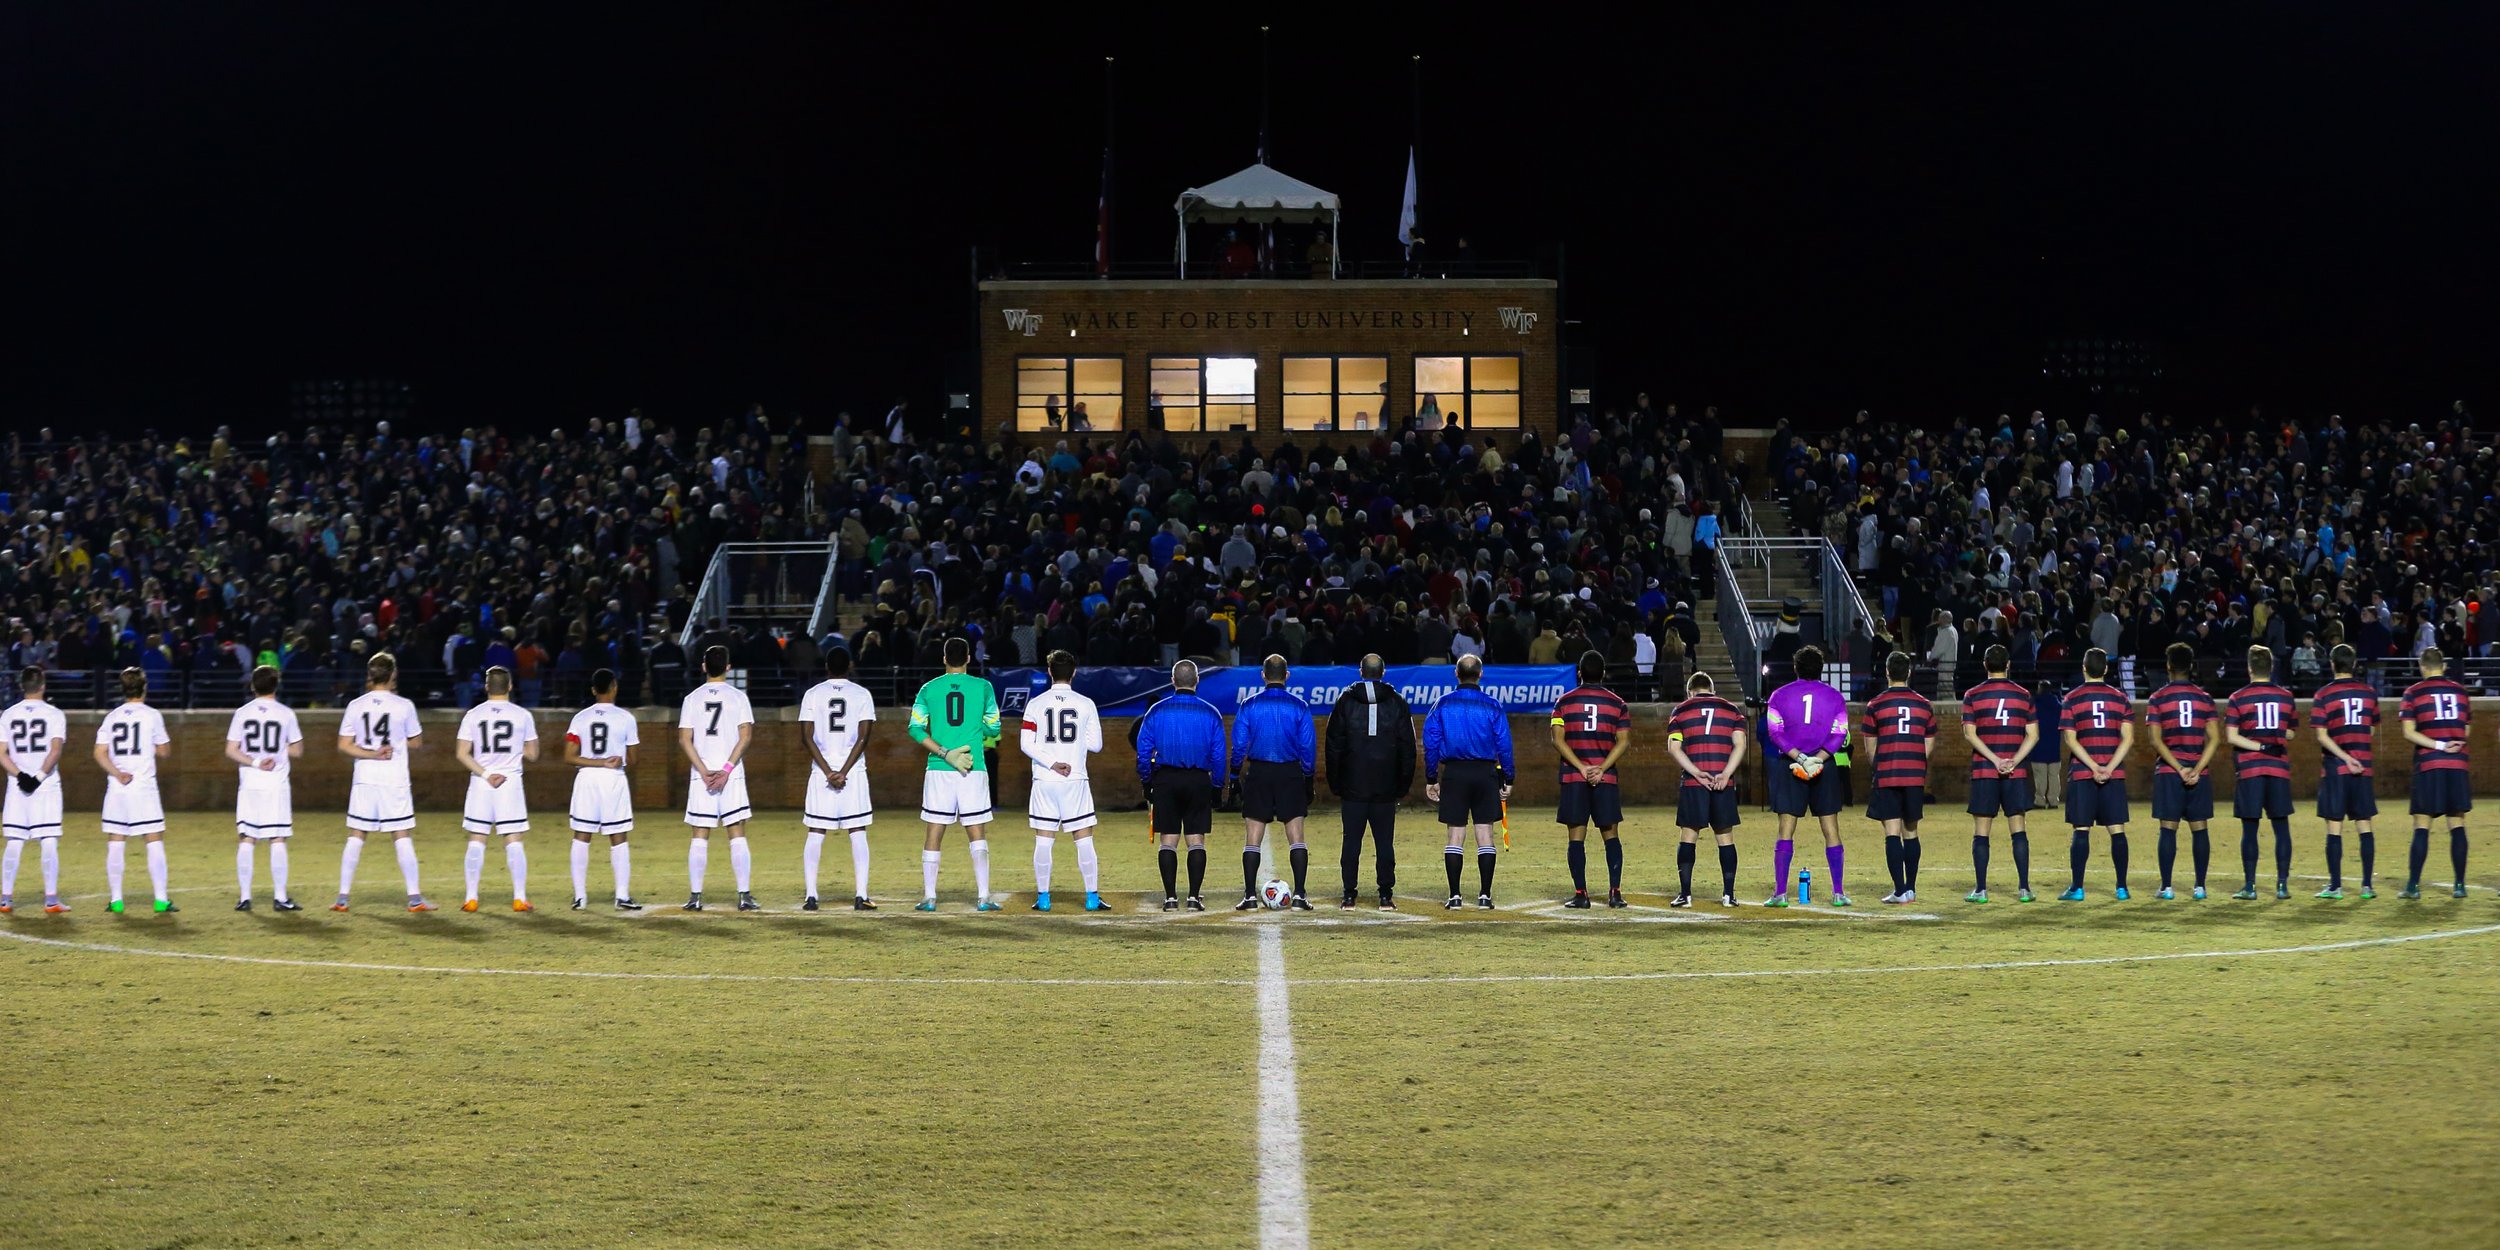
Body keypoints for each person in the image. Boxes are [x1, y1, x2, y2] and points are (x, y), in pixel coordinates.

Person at [907, 636, 1003, 911]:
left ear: (945, 659)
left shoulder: (928, 688)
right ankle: (983, 896)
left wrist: (944, 751)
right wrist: (974, 730)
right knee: (976, 831)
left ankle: (929, 897)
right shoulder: (983, 687)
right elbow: (994, 729)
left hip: (939, 768)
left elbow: (915, 729)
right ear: (969, 658)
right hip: (972, 767)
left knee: (934, 830)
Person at [335, 652, 431, 912]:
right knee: (401, 835)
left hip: (365, 779)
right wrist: (389, 746)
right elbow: (417, 742)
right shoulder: (404, 706)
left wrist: (370, 753)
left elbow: (344, 745)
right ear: (393, 675)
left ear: (370, 675)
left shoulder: (355, 705)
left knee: (356, 835)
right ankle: (415, 898)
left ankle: (342, 898)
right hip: (394, 779)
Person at [1422, 654, 1514, 909]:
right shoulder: (1492, 705)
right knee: (1485, 834)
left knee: (1455, 835)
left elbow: (1430, 743)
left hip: (1454, 774)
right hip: (1485, 774)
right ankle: (1485, 896)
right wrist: (1508, 776)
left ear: (1456, 674)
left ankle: (1455, 896)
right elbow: (1504, 744)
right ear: (1480, 674)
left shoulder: (1442, 704)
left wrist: (1431, 777)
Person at [1762, 645, 1852, 906]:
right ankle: (1838, 892)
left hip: (1790, 765)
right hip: (1824, 766)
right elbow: (1839, 733)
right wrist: (1818, 759)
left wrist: (1801, 758)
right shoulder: (1835, 697)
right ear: (1821, 669)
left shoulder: (1778, 695)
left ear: (1795, 668)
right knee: (1830, 828)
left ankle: (1780, 893)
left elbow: (1775, 733)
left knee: (1786, 829)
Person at [1135, 660, 1228, 909]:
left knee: (1169, 841)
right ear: (1197, 681)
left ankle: (1170, 898)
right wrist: (1217, 787)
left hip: (1166, 779)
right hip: (1198, 780)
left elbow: (1143, 752)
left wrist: (1147, 781)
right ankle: (1194, 898)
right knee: (1196, 840)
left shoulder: (1156, 711)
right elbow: (1219, 756)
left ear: (1173, 681)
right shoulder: (1211, 713)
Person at [1325, 653, 1414, 909]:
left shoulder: (1345, 701)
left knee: (1351, 840)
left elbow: (1333, 746)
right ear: (1383, 672)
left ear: (1360, 672)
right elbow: (1407, 747)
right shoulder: (1397, 702)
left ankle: (1349, 894)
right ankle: (1385, 894)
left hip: (1353, 785)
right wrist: (1402, 784)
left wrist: (1336, 783)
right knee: (1384, 842)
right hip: (1385, 786)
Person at [1019, 649, 1105, 912]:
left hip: (1045, 779)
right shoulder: (1086, 703)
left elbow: (1025, 744)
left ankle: (1043, 898)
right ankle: (1091, 897)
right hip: (1075, 779)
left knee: (1044, 840)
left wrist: (1051, 762)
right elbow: (1097, 745)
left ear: (1049, 672)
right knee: (1084, 839)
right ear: (1074, 673)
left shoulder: (1035, 704)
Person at [1231, 654, 1317, 909]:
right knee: (1297, 837)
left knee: (1253, 838)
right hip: (1290, 774)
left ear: (1263, 675)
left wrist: (1235, 775)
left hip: (1259, 773)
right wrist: (1308, 778)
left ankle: (1249, 897)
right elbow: (1307, 747)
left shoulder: (1249, 705)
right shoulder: (1299, 706)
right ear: (1287, 675)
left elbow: (1238, 745)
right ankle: (1300, 895)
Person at [677, 644, 759, 911]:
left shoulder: (691, 698)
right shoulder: (738, 698)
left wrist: (703, 770)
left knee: (700, 834)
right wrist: (725, 769)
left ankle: (695, 897)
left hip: (702, 777)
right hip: (730, 775)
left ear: (703, 667)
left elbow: (684, 739)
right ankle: (744, 896)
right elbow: (745, 737)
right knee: (736, 833)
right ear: (728, 667)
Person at [797, 647, 878, 911]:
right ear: (850, 665)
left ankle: (811, 896)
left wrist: (828, 770)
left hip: (822, 772)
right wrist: (843, 770)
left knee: (816, 831)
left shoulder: (813, 694)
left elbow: (806, 737)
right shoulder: (862, 694)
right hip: (852, 772)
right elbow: (864, 736)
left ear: (826, 667)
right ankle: (861, 894)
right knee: (857, 831)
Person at [453, 666, 540, 912]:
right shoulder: (523, 715)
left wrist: (486, 774)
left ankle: (471, 898)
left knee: (477, 838)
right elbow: (533, 755)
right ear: (510, 686)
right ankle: (519, 898)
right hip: (510, 782)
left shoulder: (473, 714)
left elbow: (462, 753)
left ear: (486, 687)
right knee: (513, 839)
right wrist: (515, 751)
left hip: (482, 782)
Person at [1550, 650, 1631, 908]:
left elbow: (1557, 739)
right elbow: (1624, 741)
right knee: (1611, 835)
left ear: (1579, 673)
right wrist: (1602, 767)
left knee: (1576, 837)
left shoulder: (1563, 702)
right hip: (1605, 779)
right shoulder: (1618, 704)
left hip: (1575, 778)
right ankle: (1615, 893)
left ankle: (1581, 894)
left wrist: (1582, 768)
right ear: (1604, 674)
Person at [2144, 642, 2223, 901]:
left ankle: (2166, 887)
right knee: (2199, 829)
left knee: (2168, 828)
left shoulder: (2158, 698)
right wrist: (2197, 769)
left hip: (2169, 773)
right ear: (2191, 667)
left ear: (2168, 666)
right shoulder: (2204, 698)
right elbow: (2214, 739)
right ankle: (2200, 887)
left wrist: (2178, 768)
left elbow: (2155, 740)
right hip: (2199, 773)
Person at [1961, 646, 2038, 903]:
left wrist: (1994, 760)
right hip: (2015, 774)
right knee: (2018, 827)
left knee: (1982, 830)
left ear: (1985, 664)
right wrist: (2013, 760)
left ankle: (1981, 890)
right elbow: (2033, 735)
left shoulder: (1973, 695)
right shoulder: (2023, 695)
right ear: (2008, 665)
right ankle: (2024, 888)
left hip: (1985, 771)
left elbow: (1970, 734)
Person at [225, 664, 305, 910]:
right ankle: (280, 898)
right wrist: (279, 750)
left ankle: (245, 898)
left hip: (250, 783)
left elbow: (231, 750)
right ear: (276, 685)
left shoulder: (242, 713)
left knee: (247, 838)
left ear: (252, 685)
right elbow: (298, 750)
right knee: (277, 838)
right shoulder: (285, 713)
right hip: (275, 785)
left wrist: (256, 761)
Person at [93, 667, 173, 913]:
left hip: (118, 789)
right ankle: (161, 899)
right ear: (144, 687)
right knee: (153, 838)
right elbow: (164, 751)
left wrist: (117, 773)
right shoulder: (152, 715)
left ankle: (116, 900)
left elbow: (99, 752)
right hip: (144, 787)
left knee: (116, 841)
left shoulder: (112, 716)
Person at [563, 667, 643, 910]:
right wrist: (614, 761)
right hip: (612, 779)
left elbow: (569, 756)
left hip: (586, 779)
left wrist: (596, 761)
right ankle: (622, 896)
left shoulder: (580, 718)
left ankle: (580, 897)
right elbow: (634, 758)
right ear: (614, 687)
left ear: (593, 690)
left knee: (581, 835)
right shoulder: (626, 718)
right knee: (618, 837)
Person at [2058, 648, 2135, 901]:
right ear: (2105, 669)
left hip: (2082, 774)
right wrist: (2109, 767)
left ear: (2083, 668)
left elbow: (2070, 739)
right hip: (2113, 775)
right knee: (2117, 830)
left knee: (2081, 830)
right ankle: (2122, 888)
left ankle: (2077, 888)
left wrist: (2093, 766)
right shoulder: (2120, 698)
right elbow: (2128, 738)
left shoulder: (2071, 699)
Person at [1665, 670, 1747, 907]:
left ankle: (1685, 895)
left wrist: (1695, 772)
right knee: (1725, 837)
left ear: (1690, 691)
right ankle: (1729, 895)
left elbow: (1674, 747)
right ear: (1712, 690)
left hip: (1693, 783)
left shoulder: (1681, 710)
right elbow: (1739, 745)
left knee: (1689, 835)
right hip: (1723, 783)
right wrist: (1726, 774)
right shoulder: (1732, 710)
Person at [2397, 647, 2473, 899]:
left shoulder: (2413, 692)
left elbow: (2409, 733)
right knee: (2457, 824)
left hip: (2429, 764)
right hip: (2457, 765)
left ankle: (2413, 886)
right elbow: (2466, 731)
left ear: (2422, 667)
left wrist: (2439, 745)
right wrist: (2453, 743)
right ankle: (2459, 886)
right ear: (2443, 666)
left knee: (2422, 825)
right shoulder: (2461, 692)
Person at [1862, 652, 1937, 905]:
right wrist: (1916, 762)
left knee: (1892, 833)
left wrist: (1879, 767)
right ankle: (1912, 889)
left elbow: (1870, 747)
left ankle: (1899, 890)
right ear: (1909, 673)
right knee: (1912, 831)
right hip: (1914, 775)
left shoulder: (1875, 705)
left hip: (1888, 774)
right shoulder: (1924, 704)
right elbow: (1929, 742)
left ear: (1886, 672)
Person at [2223, 645, 2297, 900]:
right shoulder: (2286, 697)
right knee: (2281, 827)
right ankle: (2282, 886)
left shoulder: (2237, 698)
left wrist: (2258, 744)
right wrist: (2274, 736)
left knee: (2250, 829)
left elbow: (2232, 736)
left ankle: (2251, 886)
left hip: (2250, 770)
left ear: (2249, 668)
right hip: (2278, 769)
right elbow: (2291, 732)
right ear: (2272, 667)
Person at [2309, 644, 2379, 900]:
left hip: (2336, 769)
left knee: (2334, 827)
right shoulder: (2369, 693)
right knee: (2364, 824)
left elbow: (2321, 736)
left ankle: (2336, 886)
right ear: (2354, 664)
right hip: (2363, 767)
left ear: (2332, 664)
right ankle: (2367, 886)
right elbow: (2371, 729)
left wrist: (2344, 757)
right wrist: (2355, 753)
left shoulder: (2323, 695)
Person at [0, 667, 69, 914]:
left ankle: (5, 898)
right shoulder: (54, 714)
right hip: (47, 786)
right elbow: (55, 751)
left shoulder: (8, 714)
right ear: (42, 685)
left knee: (15, 840)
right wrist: (38, 777)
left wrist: (21, 776)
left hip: (17, 786)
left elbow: (1, 754)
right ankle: (51, 899)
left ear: (21, 686)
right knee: (48, 839)